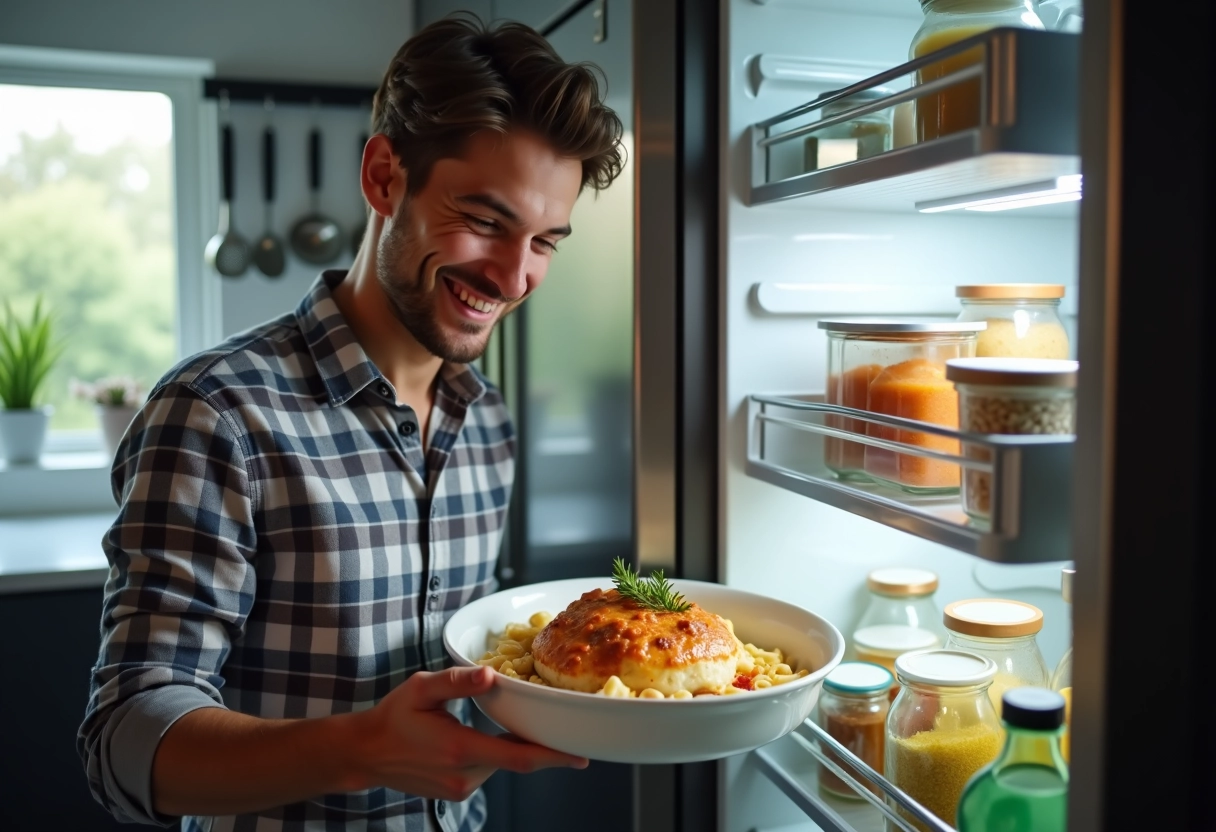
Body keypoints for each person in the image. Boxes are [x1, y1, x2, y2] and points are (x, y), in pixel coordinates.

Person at [78, 14, 625, 832]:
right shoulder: (217, 413)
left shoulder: (489, 422)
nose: (514, 277)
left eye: (545, 241)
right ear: (383, 178)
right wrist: (359, 749)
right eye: (485, 221)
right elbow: (124, 744)